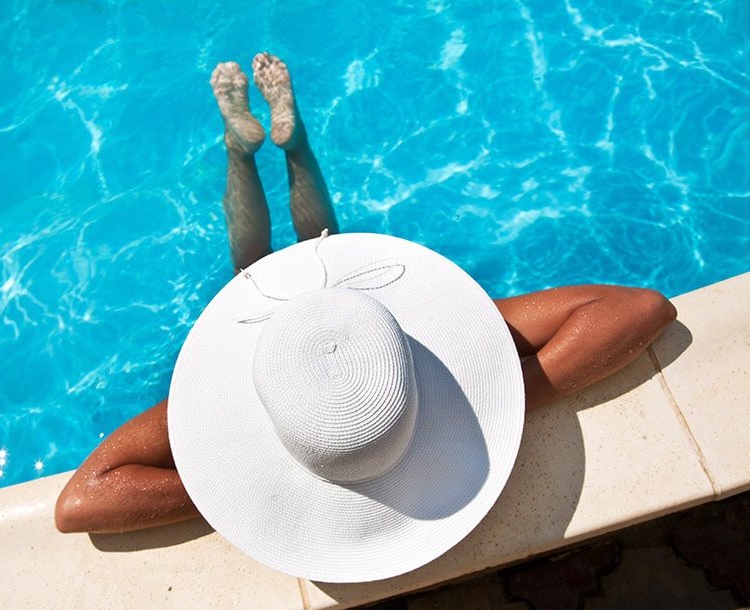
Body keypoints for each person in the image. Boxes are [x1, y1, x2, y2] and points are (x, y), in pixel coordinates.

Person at [54, 53, 677, 536]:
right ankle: (280, 147)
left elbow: (83, 499)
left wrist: (242, 471)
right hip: (352, 338)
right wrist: (495, 397)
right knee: (314, 247)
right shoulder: (408, 353)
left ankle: (243, 151)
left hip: (293, 360)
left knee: (265, 264)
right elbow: (642, 309)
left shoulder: (246, 395)